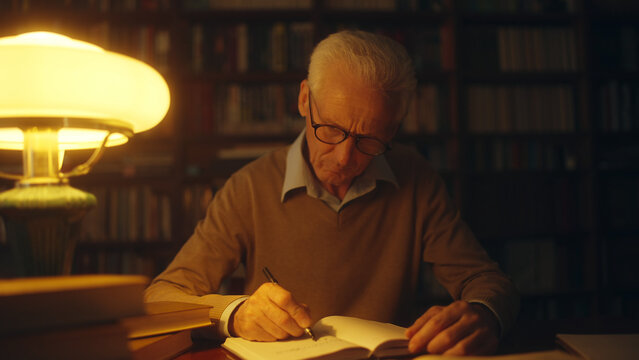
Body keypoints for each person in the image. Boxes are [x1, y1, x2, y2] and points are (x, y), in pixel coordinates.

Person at [145, 29, 519, 356]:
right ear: (305, 99)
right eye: (331, 129)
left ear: (394, 128)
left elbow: (488, 283)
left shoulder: (417, 179)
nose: (345, 158)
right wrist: (235, 314)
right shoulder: (249, 187)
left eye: (370, 140)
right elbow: (161, 297)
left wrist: (483, 314)